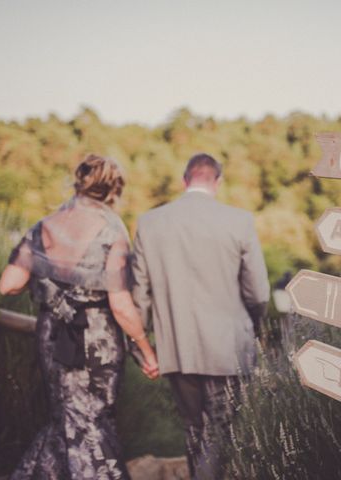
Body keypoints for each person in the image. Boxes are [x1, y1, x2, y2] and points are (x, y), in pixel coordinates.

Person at [0, 154, 158, 480]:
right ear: (114, 190)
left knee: (66, 419)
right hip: (95, 341)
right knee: (93, 420)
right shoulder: (112, 229)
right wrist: (144, 346)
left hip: (52, 335)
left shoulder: (44, 225)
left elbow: (8, 284)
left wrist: (50, 283)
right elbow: (120, 304)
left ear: (78, 182)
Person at [131, 153, 270, 479]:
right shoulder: (239, 221)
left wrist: (142, 347)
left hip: (177, 348)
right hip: (228, 348)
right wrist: (257, 324)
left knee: (195, 430)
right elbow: (259, 293)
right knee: (221, 433)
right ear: (217, 182)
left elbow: (139, 293)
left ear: (185, 180)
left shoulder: (150, 222)